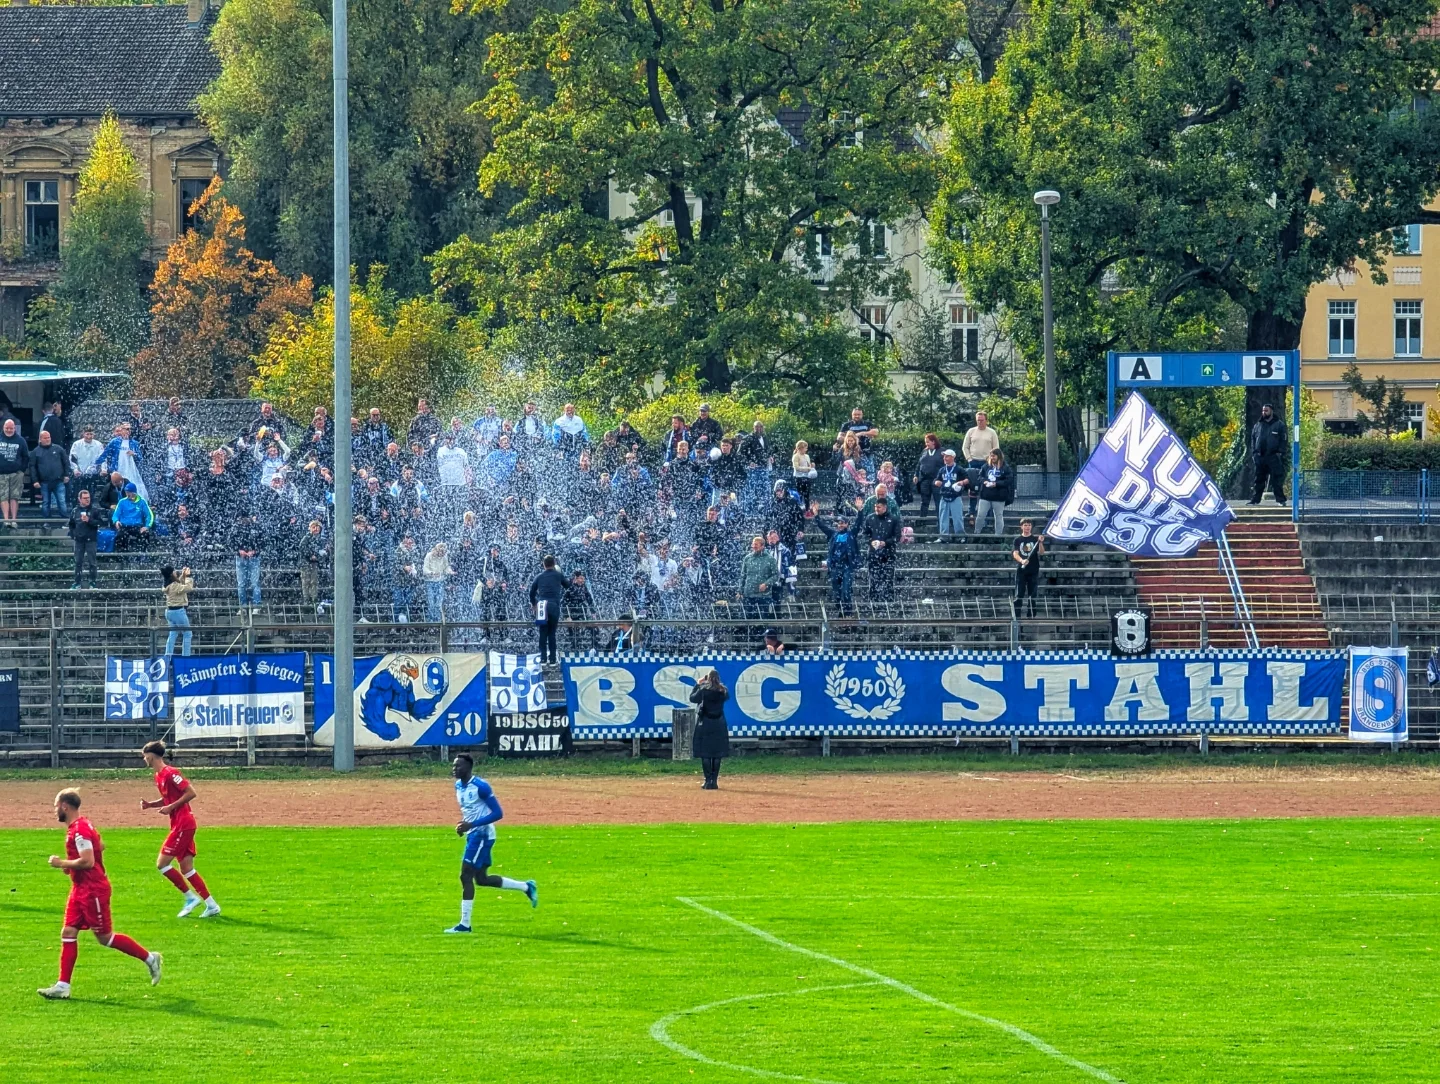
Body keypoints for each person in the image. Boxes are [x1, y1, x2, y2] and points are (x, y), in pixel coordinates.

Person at [37, 789, 163, 1000]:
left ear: (65, 806)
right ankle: (63, 985)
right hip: (80, 888)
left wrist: (62, 863)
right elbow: (100, 846)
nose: (55, 810)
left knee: (105, 937)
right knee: (68, 932)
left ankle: (150, 958)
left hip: (93, 890)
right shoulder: (84, 825)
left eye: (56, 806)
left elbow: (88, 861)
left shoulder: (79, 830)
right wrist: (73, 867)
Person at [445, 754, 538, 933]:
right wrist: (463, 826)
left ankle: (465, 925)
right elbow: (471, 812)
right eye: (454, 766)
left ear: (469, 768)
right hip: (473, 834)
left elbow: (498, 813)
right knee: (481, 879)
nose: (455, 769)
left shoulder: (481, 787)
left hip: (482, 836)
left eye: (459, 766)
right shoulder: (458, 786)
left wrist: (471, 825)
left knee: (465, 875)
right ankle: (527, 887)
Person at [140, 741, 220, 917]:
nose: (144, 759)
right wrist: (150, 805)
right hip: (179, 824)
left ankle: (190, 897)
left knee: (162, 864)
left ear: (152, 756)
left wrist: (171, 807)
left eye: (145, 756)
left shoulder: (171, 773)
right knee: (187, 869)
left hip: (184, 824)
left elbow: (191, 792)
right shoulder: (158, 776)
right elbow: (168, 798)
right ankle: (212, 905)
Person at [688, 670, 731, 790]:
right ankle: (714, 781)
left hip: (705, 723)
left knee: (705, 753)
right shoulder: (723, 691)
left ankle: (708, 781)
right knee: (717, 754)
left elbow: (692, 698)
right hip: (719, 723)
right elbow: (726, 697)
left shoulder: (703, 690)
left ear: (708, 678)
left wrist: (698, 684)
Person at [861, 495, 900, 601]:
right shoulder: (870, 518)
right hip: (873, 554)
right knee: (873, 578)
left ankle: (889, 600)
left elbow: (897, 537)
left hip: (888, 554)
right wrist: (870, 541)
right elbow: (864, 534)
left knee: (888, 578)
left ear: (885, 507)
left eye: (879, 507)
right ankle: (873, 600)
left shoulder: (893, 519)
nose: (876, 509)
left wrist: (885, 543)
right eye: (875, 507)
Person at [529, 554, 567, 665]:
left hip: (542, 606)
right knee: (552, 633)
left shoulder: (539, 577)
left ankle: (543, 658)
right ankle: (553, 659)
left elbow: (531, 592)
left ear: (543, 565)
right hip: (554, 605)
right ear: (554, 563)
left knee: (542, 633)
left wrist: (534, 604)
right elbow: (568, 586)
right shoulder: (558, 575)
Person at [963, 411, 1001, 519]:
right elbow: (965, 447)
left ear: (986, 420)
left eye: (982, 420)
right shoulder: (971, 431)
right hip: (973, 462)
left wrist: (992, 461)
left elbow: (996, 448)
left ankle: (987, 513)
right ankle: (971, 511)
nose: (980, 422)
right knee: (973, 488)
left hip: (987, 463)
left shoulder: (992, 432)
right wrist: (969, 459)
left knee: (987, 488)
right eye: (978, 420)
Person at [1250, 402, 1288, 505]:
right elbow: (1253, 439)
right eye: (1263, 410)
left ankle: (1281, 500)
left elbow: (1283, 440)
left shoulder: (1279, 425)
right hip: (1260, 457)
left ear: (1271, 411)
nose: (1264, 412)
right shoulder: (1258, 425)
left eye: (1266, 410)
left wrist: (1279, 453)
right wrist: (1254, 453)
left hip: (1273, 456)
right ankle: (1255, 500)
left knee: (1276, 480)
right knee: (1258, 480)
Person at [972, 449, 1013, 536]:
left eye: (994, 455)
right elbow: (980, 476)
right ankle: (976, 533)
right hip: (985, 496)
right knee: (980, 515)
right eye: (991, 455)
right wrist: (985, 481)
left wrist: (996, 484)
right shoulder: (986, 466)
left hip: (999, 496)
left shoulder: (1005, 467)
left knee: (998, 516)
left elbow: (1009, 480)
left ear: (999, 456)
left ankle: (998, 535)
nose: (992, 457)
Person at [30, 428, 70, 518]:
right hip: (44, 482)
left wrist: (66, 475)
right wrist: (35, 480)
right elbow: (32, 467)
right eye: (45, 438)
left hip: (58, 480)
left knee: (61, 500)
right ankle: (46, 520)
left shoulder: (59, 449)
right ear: (40, 439)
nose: (48, 439)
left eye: (49, 437)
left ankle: (64, 519)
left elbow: (66, 462)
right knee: (46, 502)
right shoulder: (35, 452)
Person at [67, 489, 100, 589]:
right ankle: (77, 582)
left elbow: (99, 523)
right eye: (85, 498)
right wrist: (74, 535)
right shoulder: (74, 511)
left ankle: (93, 582)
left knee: (92, 562)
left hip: (91, 539)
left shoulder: (95, 510)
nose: (87, 500)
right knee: (78, 562)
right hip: (79, 540)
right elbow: (71, 524)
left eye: (88, 498)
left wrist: (89, 520)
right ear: (79, 499)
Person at [1012, 518, 1045, 616]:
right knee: (1019, 594)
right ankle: (1017, 616)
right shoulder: (1017, 540)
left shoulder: (1035, 540)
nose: (1027, 527)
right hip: (1021, 570)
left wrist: (1041, 543)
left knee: (1033, 594)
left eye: (1029, 525)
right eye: (1025, 525)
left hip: (1033, 569)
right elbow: (1015, 553)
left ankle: (1031, 616)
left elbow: (1041, 552)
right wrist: (1022, 560)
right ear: (1021, 526)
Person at [233, 511, 264, 615]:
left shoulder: (256, 528)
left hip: (252, 558)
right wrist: (238, 551)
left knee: (254, 583)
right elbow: (230, 543)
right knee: (242, 584)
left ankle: (255, 606)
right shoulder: (237, 528)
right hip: (242, 558)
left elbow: (262, 543)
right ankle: (243, 607)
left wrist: (254, 551)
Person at [933, 449, 967, 541]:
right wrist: (937, 482)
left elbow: (967, 479)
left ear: (953, 457)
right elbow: (937, 479)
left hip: (955, 496)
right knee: (943, 517)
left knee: (958, 517)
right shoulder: (942, 470)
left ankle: (960, 537)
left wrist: (961, 483)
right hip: (944, 496)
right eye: (944, 456)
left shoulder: (959, 469)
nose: (945, 458)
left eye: (947, 456)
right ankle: (944, 536)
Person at [0, 417, 28, 527]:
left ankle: (14, 520)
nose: (9, 430)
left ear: (14, 428)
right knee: (3, 497)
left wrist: (21, 470)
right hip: (1, 473)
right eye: (7, 428)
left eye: (11, 428)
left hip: (16, 473)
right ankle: (6, 520)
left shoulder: (21, 440)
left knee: (14, 497)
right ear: (3, 427)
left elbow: (26, 457)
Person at [161, 566, 195, 657]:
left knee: (173, 634)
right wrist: (187, 576)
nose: (177, 573)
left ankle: (167, 656)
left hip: (169, 612)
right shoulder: (174, 586)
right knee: (187, 634)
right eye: (175, 572)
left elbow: (178, 584)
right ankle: (186, 658)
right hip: (178, 612)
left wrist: (183, 576)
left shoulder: (167, 584)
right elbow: (188, 588)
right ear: (172, 574)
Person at [111, 482, 155, 551]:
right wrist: (116, 521)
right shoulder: (122, 502)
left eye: (129, 492)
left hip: (137, 526)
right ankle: (122, 556)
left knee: (145, 535)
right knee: (120, 536)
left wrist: (147, 526)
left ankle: (143, 555)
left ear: (134, 492)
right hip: (124, 526)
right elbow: (115, 515)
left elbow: (149, 515)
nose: (127, 494)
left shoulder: (142, 502)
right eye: (126, 492)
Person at [912, 433, 943, 526]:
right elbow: (919, 464)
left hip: (936, 480)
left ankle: (940, 521)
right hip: (924, 480)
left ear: (933, 441)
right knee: (924, 501)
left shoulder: (941, 451)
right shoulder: (924, 451)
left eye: (928, 442)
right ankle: (922, 520)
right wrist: (916, 475)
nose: (926, 444)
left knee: (938, 501)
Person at [423, 541, 455, 621]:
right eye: (441, 552)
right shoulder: (429, 556)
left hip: (440, 581)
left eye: (444, 553)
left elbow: (446, 567)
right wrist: (432, 573)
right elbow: (425, 569)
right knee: (431, 603)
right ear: (438, 551)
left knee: (439, 603)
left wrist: (450, 571)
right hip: (430, 582)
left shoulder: (444, 557)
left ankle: (437, 620)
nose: (442, 554)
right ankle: (431, 621)